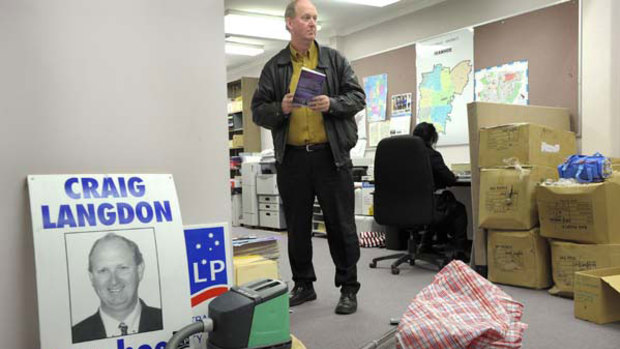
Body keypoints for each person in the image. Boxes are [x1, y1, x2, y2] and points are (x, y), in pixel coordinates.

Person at [251, 0, 365, 315]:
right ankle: (303, 284)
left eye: (315, 18)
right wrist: (281, 109)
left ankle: (348, 288)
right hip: (294, 159)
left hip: (331, 156)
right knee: (298, 226)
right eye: (306, 18)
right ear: (290, 23)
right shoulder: (275, 67)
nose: (312, 23)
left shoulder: (334, 59)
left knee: (340, 224)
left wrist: (333, 103)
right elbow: (258, 110)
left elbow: (358, 97)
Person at [72, 233, 162, 343]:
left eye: (122, 268)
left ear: (139, 270)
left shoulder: (167, 320)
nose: (114, 281)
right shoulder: (75, 336)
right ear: (91, 277)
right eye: (103, 271)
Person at [413, 122, 469, 261]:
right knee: (458, 209)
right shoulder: (432, 155)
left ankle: (424, 245)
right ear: (432, 139)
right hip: (428, 205)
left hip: (405, 206)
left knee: (441, 202)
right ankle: (460, 250)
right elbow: (449, 179)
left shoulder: (404, 157)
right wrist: (452, 176)